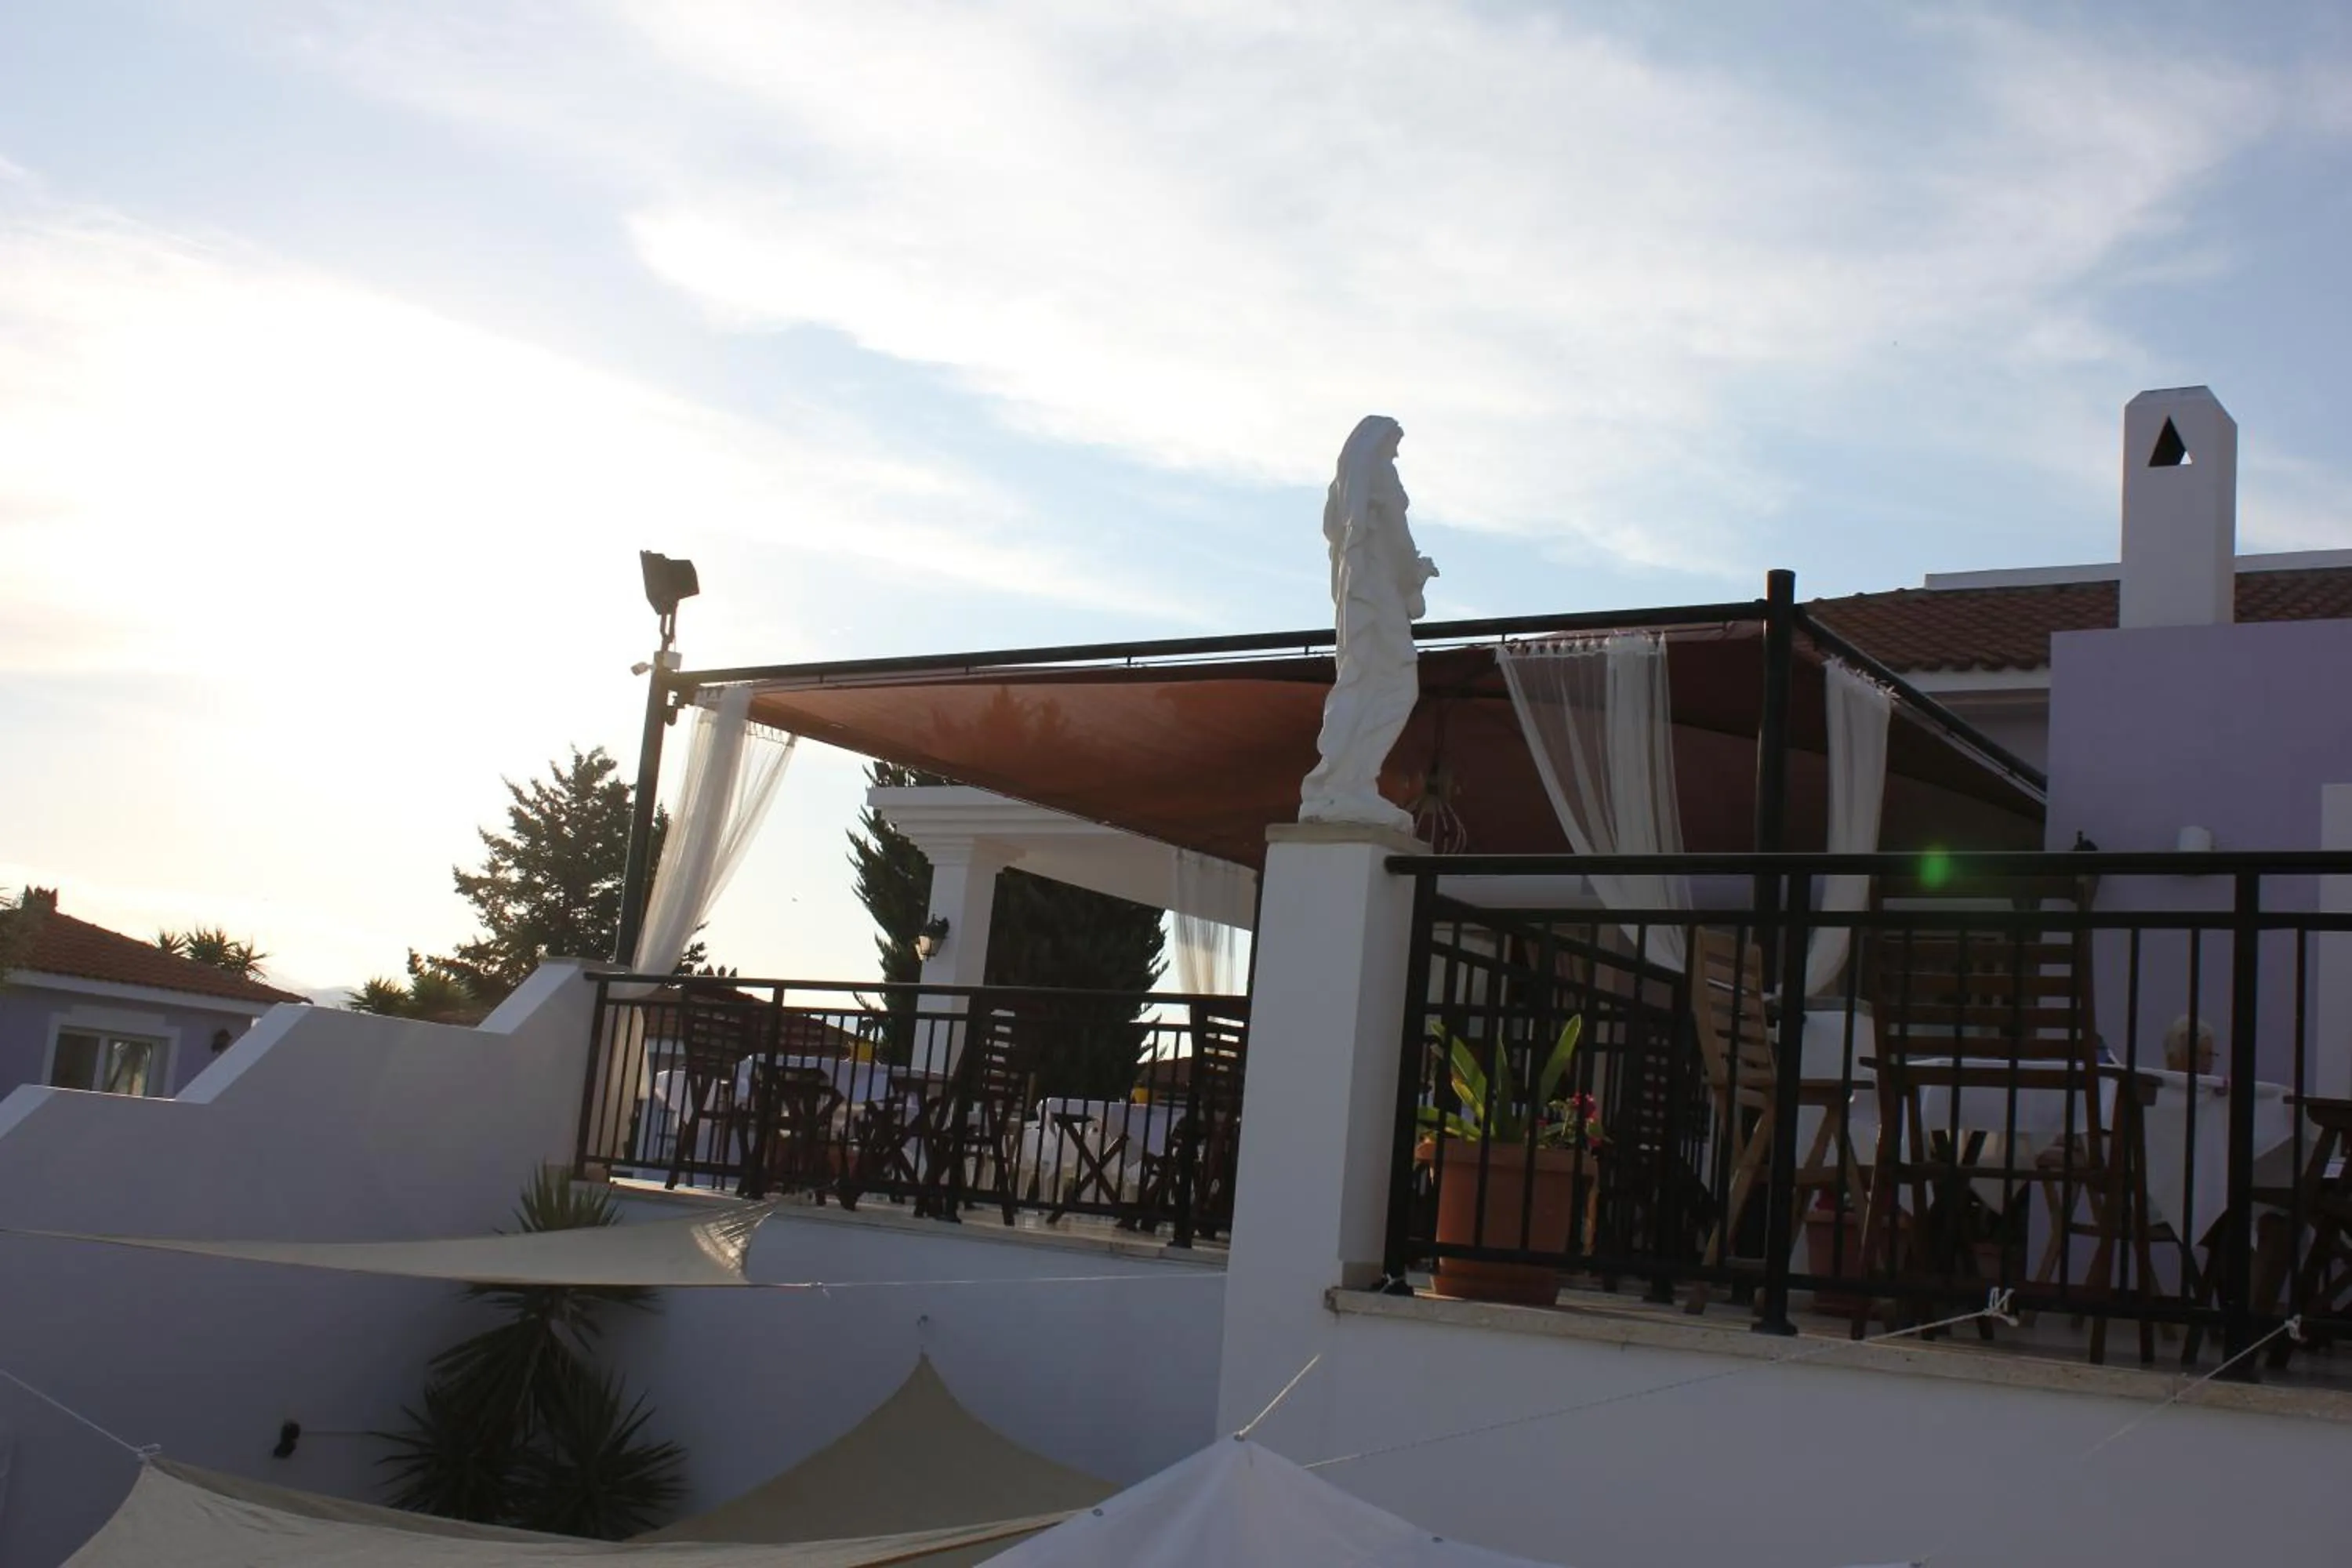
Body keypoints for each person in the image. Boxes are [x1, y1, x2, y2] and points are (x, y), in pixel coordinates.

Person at [1300, 416, 1439, 830]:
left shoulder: (1344, 492)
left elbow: (1338, 533)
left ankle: (1345, 779)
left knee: (1364, 681)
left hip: (1364, 597)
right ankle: (1351, 781)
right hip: (1378, 597)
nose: (1396, 453)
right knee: (1395, 683)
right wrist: (1414, 573)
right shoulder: (1380, 478)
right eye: (1393, 443)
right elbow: (1398, 538)